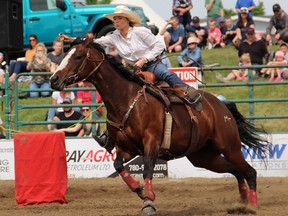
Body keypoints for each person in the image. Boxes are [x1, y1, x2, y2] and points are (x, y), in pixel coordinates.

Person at [60, 5, 202, 152]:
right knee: (119, 99)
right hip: (133, 69)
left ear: (127, 20)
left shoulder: (140, 32)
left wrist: (144, 59)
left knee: (166, 74)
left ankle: (189, 92)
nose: (116, 21)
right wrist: (72, 39)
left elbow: (159, 46)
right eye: (115, 19)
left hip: (151, 64)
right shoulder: (114, 36)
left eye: (119, 18)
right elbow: (96, 41)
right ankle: (109, 136)